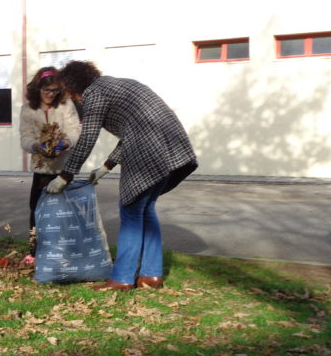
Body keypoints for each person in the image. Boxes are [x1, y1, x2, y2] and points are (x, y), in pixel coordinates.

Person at [46, 60, 197, 290]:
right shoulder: (117, 86)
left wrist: (65, 176)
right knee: (145, 210)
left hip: (148, 150)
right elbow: (132, 131)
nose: (72, 98)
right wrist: (106, 166)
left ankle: (122, 278)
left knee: (130, 211)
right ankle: (151, 275)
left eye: (68, 92)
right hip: (172, 146)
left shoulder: (94, 93)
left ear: (73, 86)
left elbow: (88, 137)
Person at [18, 66, 82, 266]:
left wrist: (66, 143)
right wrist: (36, 146)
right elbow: (25, 137)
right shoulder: (28, 110)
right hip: (41, 169)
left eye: (54, 91)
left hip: (63, 169)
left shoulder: (66, 105)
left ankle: (66, 250)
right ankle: (35, 251)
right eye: (46, 90)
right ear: (37, 89)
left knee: (64, 211)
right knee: (36, 210)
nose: (50, 95)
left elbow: (75, 131)